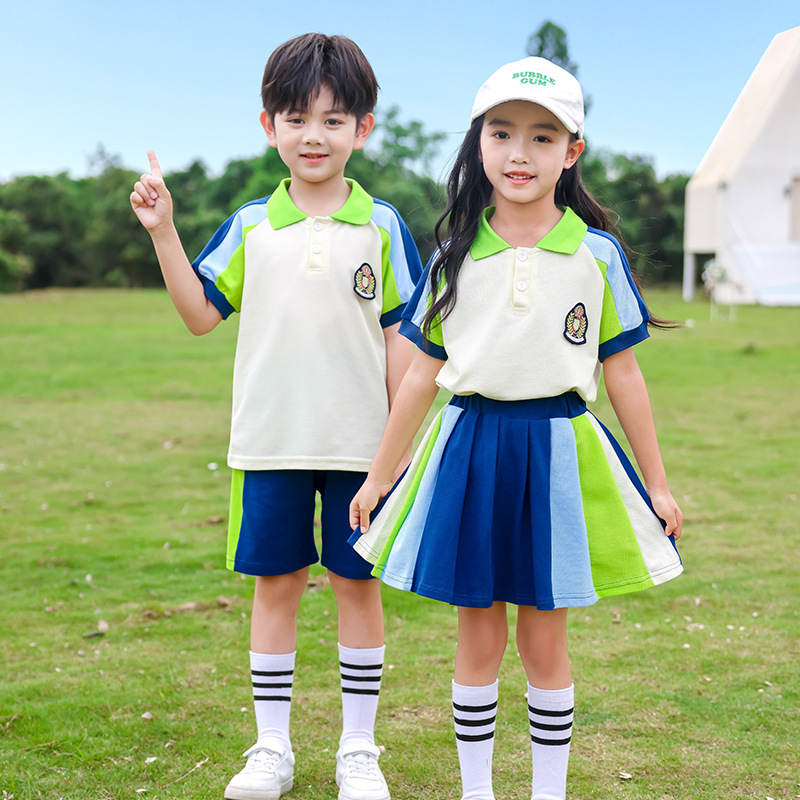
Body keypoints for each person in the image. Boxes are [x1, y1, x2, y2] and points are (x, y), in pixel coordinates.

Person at [349, 56, 684, 800]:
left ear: (572, 154)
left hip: (560, 450)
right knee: (478, 631)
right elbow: (421, 375)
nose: (519, 153)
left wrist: (657, 482)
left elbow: (624, 374)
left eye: (542, 137)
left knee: (544, 634)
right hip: (468, 448)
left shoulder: (595, 257)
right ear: (478, 145)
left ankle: (548, 792)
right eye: (502, 134)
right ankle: (476, 791)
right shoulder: (454, 257)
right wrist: (380, 473)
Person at [130, 33, 423, 800]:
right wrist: (165, 233)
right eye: (297, 119)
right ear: (269, 126)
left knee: (358, 587)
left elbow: (403, 348)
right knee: (276, 585)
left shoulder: (384, 228)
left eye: (333, 120)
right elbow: (199, 315)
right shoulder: (250, 225)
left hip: (364, 448)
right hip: (269, 443)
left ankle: (359, 751)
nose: (313, 135)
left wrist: (396, 452)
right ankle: (272, 750)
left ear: (363, 128)